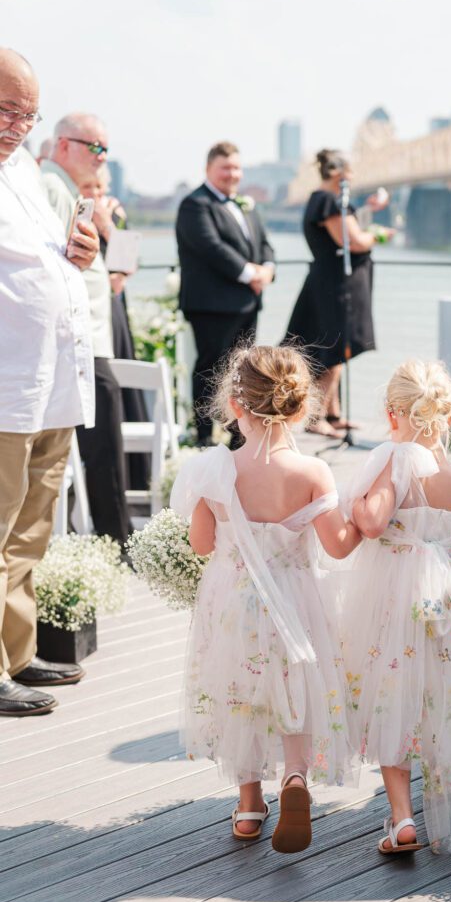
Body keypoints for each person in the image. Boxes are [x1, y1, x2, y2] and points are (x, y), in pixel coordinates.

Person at [170, 345, 360, 852]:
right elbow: (338, 546)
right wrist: (363, 523)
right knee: (292, 688)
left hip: (233, 601)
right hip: (295, 598)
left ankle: (250, 802)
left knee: (242, 692)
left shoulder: (215, 469)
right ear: (301, 408)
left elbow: (202, 544)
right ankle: (295, 777)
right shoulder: (313, 473)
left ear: (235, 405)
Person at [343, 360, 451, 854]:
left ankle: (402, 819)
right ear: (448, 416)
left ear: (393, 414)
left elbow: (376, 522)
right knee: (439, 693)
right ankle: (439, 796)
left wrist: (355, 503)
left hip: (395, 597)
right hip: (448, 597)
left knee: (392, 693)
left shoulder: (397, 459)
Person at [0, 49, 99, 716]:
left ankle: (16, 652)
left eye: (26, 115)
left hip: (51, 379)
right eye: (7, 110)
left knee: (34, 524)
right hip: (5, 382)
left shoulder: (24, 169)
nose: (16, 126)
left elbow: (53, 245)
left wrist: (83, 249)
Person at [42, 114, 133, 549]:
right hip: (81, 341)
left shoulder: (83, 204)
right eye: (95, 147)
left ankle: (109, 533)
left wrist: (109, 226)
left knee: (98, 442)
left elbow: (121, 269)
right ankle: (114, 538)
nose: (101, 159)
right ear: (64, 145)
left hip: (99, 332)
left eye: (105, 151)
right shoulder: (55, 192)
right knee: (96, 445)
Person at [284, 149, 393, 437]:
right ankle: (315, 417)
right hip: (335, 285)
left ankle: (333, 414)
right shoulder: (327, 201)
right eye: (350, 171)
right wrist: (379, 235)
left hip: (335, 282)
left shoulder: (331, 201)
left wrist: (368, 212)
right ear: (338, 174)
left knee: (339, 349)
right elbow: (353, 241)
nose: (354, 177)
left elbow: (352, 229)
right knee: (330, 351)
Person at [175, 142, 276, 445]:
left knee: (243, 371)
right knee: (210, 369)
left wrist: (267, 269)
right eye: (225, 168)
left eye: (236, 168)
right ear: (208, 170)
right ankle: (204, 436)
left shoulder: (246, 205)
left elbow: (264, 243)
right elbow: (210, 248)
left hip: (247, 304)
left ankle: (239, 437)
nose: (232, 174)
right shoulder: (195, 204)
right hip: (211, 306)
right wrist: (251, 274)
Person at [80, 165, 150, 492]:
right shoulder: (72, 212)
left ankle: (133, 476)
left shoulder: (115, 215)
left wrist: (108, 226)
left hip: (112, 310)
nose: (94, 192)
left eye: (99, 186)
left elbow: (128, 267)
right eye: (88, 185)